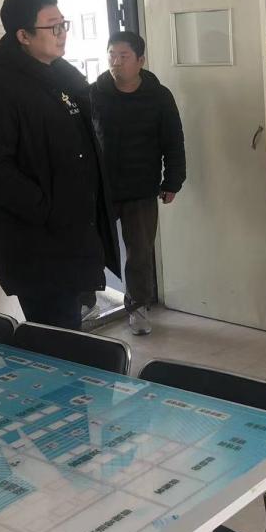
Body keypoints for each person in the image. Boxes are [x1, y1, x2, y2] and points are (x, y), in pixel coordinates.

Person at [0, 0, 120, 330]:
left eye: (64, 24)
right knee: (58, 339)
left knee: (72, 336)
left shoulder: (64, 82)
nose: (62, 33)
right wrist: (48, 209)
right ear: (23, 35)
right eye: (53, 26)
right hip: (38, 245)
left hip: (76, 236)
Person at [90, 31, 185, 336]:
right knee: (91, 246)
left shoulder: (159, 96)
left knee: (140, 252)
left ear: (140, 60)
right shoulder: (93, 94)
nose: (116, 62)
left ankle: (138, 307)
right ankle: (87, 300)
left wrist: (173, 180)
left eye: (123, 56)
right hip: (101, 188)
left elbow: (173, 141)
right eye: (111, 55)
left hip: (141, 187)